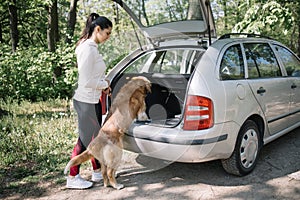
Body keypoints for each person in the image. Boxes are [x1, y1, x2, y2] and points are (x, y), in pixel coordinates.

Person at [66, 13, 113, 189]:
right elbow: (86, 80)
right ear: (98, 29)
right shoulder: (88, 48)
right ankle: (72, 176)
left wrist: (103, 83)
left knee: (93, 138)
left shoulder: (91, 46)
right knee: (85, 140)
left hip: (91, 100)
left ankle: (96, 171)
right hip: (85, 101)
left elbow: (93, 75)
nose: (108, 37)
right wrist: (104, 85)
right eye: (107, 33)